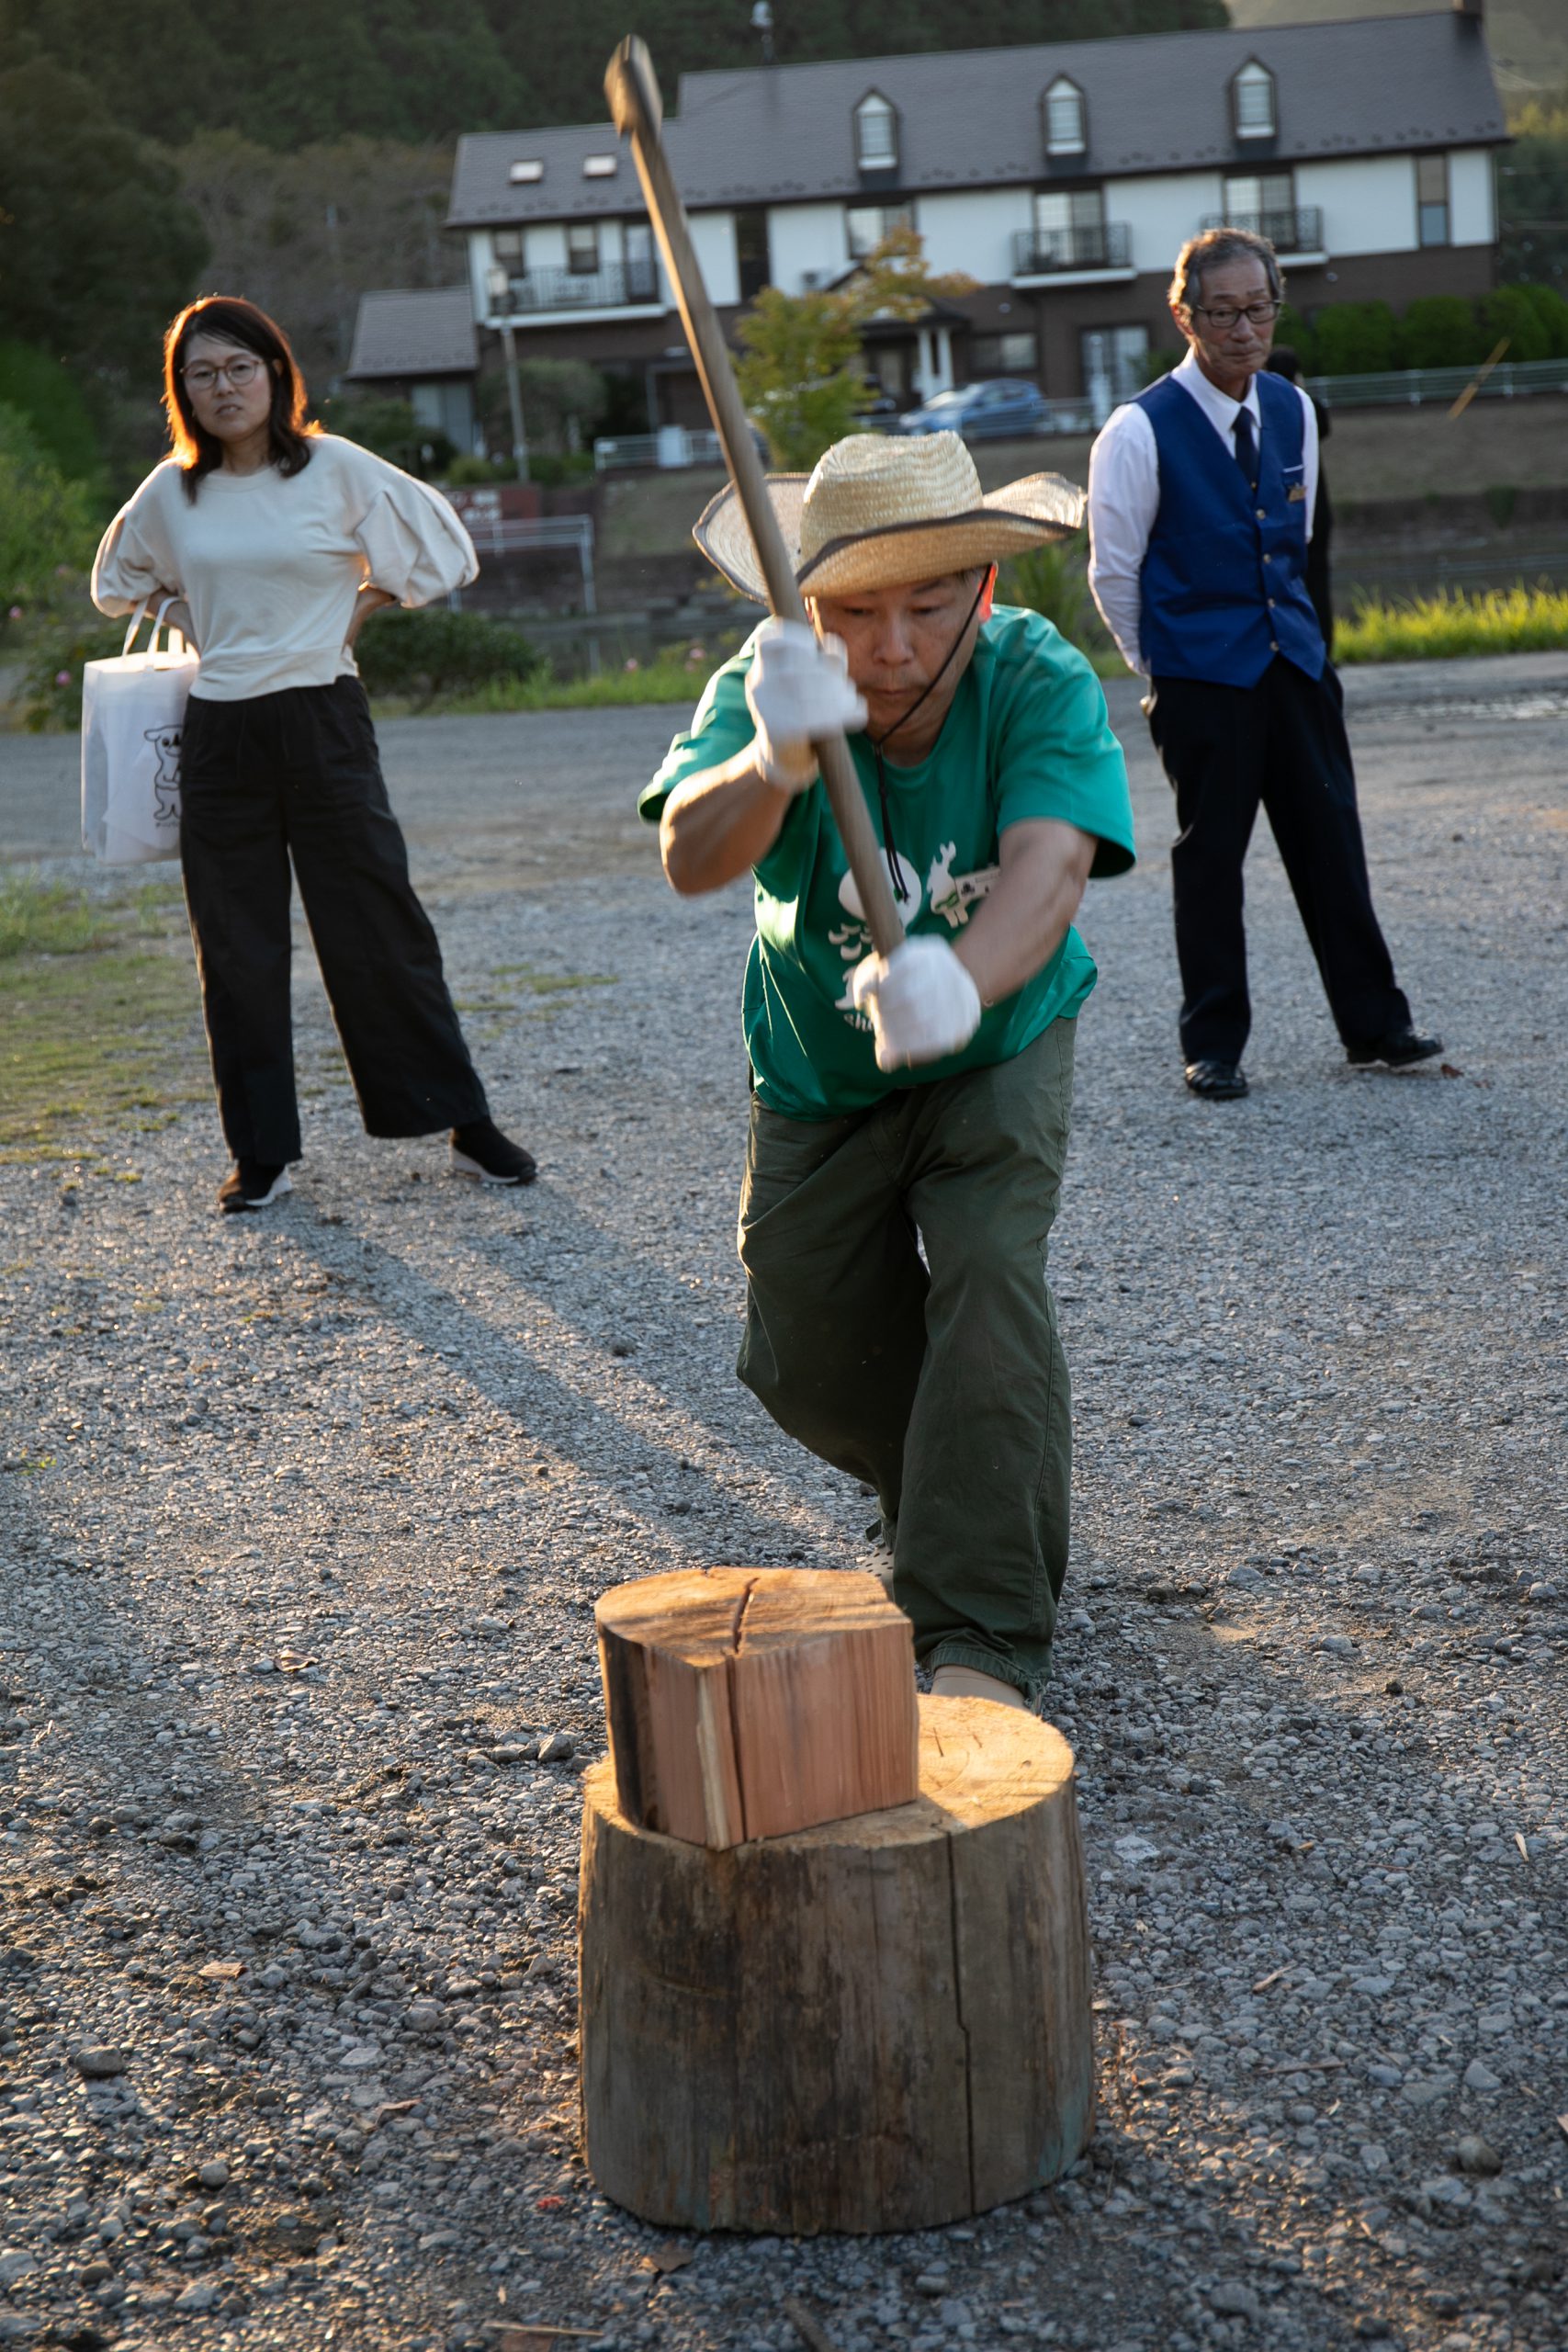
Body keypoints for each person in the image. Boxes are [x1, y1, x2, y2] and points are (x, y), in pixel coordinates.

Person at [639, 432, 1134, 1713]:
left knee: (984, 1282)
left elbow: (1052, 864)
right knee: (798, 1347)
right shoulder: (772, 683)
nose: (893, 648)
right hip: (815, 1065)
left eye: (924, 607)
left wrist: (958, 981)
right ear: (805, 604)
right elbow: (692, 859)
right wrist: (775, 760)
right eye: (855, 612)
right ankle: (956, 1491)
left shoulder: (1033, 675)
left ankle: (978, 1631)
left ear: (980, 588)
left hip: (999, 1043)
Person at [91, 295, 535, 1212]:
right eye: (201, 373)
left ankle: (464, 1123)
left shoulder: (331, 467)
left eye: (239, 367)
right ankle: (261, 1154)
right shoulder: (172, 491)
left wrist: (363, 604)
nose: (224, 386)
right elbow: (115, 582)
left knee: (379, 927)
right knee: (238, 947)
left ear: (275, 374)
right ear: (182, 391)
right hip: (221, 731)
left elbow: (446, 550)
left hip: (324, 716)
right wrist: (186, 616)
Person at [1087, 228, 1439, 1100]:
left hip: (1295, 666)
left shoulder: (1290, 408)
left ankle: (1374, 1024)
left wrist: (1316, 656)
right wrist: (1162, 669)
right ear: (1183, 315)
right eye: (1222, 312)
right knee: (1212, 859)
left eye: (1258, 308)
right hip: (1200, 679)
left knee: (1331, 841)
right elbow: (1112, 571)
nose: (1243, 328)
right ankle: (1213, 1042)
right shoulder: (1136, 431)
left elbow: (1300, 543)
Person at [1265, 344, 1334, 652]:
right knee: (1320, 581)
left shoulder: (1266, 407)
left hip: (1281, 507)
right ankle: (1325, 648)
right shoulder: (1310, 406)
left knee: (1288, 582)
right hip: (1316, 505)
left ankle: (1294, 645)